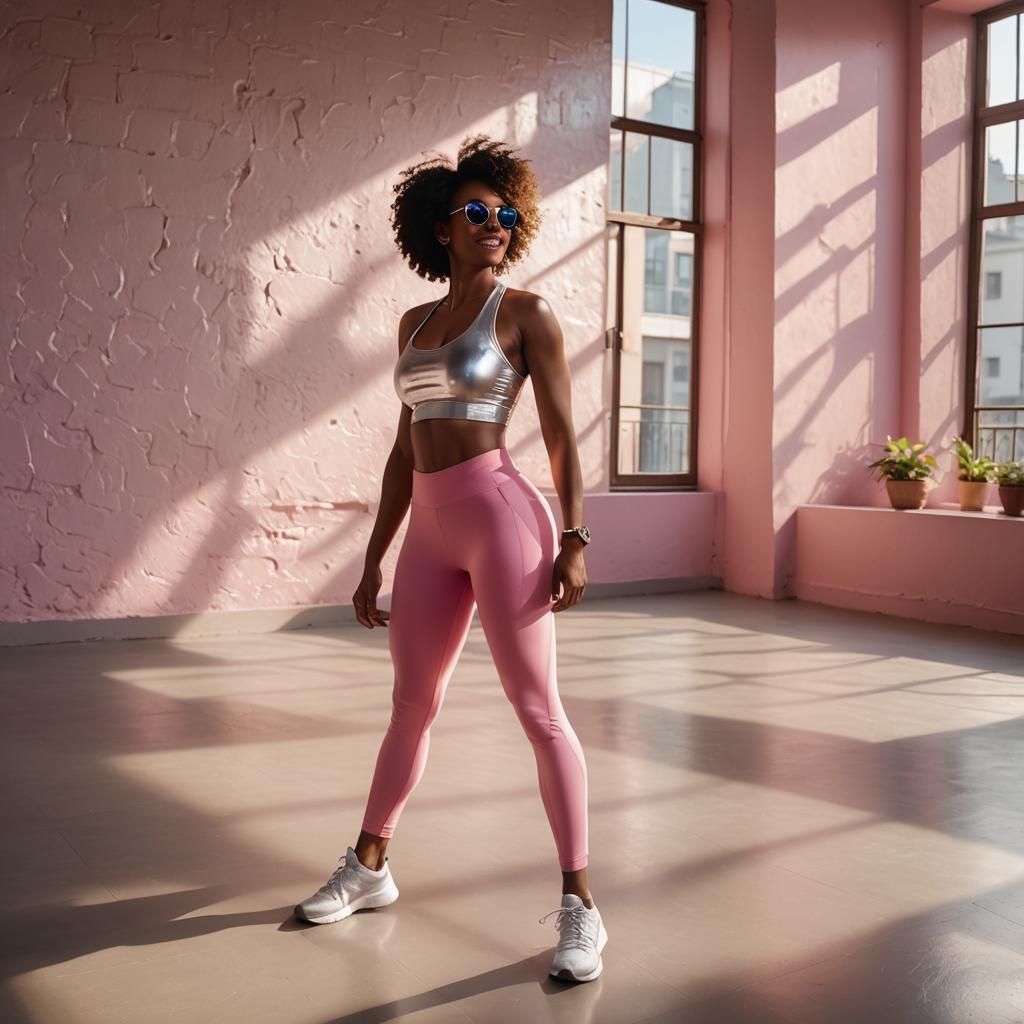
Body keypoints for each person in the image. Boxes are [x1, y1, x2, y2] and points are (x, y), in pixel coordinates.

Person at [294, 135, 607, 983]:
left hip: (503, 520)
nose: (495, 225)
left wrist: (574, 538)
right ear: (442, 227)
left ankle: (581, 906)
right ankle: (370, 865)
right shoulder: (414, 323)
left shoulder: (526, 314)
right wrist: (372, 558)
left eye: (507, 214)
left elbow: (560, 435)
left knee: (539, 712)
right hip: (430, 530)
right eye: (478, 213)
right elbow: (404, 450)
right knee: (410, 704)